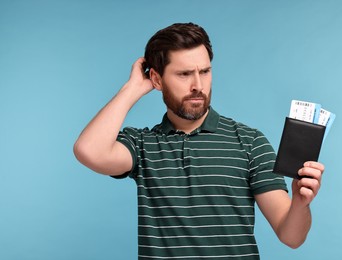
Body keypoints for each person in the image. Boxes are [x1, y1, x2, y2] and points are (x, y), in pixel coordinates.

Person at [73, 22, 325, 259]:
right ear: (157, 80)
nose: (197, 85)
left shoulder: (250, 141)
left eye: (204, 72)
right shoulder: (142, 144)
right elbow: (89, 151)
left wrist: (300, 203)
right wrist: (132, 89)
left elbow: (292, 237)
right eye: (184, 74)